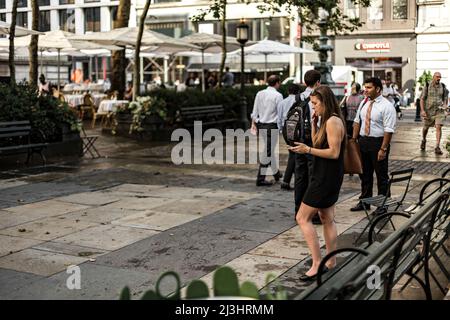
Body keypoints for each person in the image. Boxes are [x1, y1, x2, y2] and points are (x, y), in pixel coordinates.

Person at [288, 85, 346, 281]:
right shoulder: (325, 120)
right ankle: (331, 261)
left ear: (325, 102)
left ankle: (316, 262)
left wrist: (308, 151)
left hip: (325, 177)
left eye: (315, 104)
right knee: (326, 217)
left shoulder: (333, 122)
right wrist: (314, 125)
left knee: (302, 218)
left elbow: (334, 152)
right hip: (326, 175)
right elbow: (317, 142)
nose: (313, 108)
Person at [351, 77, 397, 213]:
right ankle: (364, 201)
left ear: (378, 89)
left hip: (378, 143)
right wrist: (354, 140)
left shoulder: (387, 106)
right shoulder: (364, 102)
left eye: (369, 87)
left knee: (381, 175)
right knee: (365, 174)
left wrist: (383, 149)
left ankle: (383, 204)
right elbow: (356, 121)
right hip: (363, 141)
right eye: (365, 87)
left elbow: (389, 130)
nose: (365, 90)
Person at [294, 69, 322, 224]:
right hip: (312, 141)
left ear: (305, 83)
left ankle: (298, 211)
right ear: (317, 82)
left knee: (300, 177)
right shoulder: (317, 98)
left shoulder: (296, 97)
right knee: (314, 176)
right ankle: (312, 214)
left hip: (298, 141)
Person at [250, 75, 283, 186]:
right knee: (268, 152)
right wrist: (281, 128)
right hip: (272, 126)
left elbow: (254, 113)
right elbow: (280, 114)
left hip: (261, 125)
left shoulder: (260, 93)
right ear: (277, 83)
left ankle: (276, 174)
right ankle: (260, 178)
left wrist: (256, 122)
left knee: (269, 150)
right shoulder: (278, 96)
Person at [277, 83, 300, 190]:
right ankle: (287, 181)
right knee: (294, 154)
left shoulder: (282, 102)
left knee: (293, 153)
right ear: (298, 92)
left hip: (285, 128)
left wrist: (282, 130)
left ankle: (292, 180)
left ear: (288, 91)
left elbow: (279, 118)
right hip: (294, 127)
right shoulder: (297, 101)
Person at [420, 72, 448, 155]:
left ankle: (437, 146)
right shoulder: (427, 85)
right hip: (428, 111)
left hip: (439, 111)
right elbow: (422, 99)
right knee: (425, 128)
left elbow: (445, 98)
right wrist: (422, 110)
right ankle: (424, 140)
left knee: (438, 126)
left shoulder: (443, 86)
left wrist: (445, 105)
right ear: (433, 77)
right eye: (437, 77)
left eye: (440, 77)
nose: (438, 78)